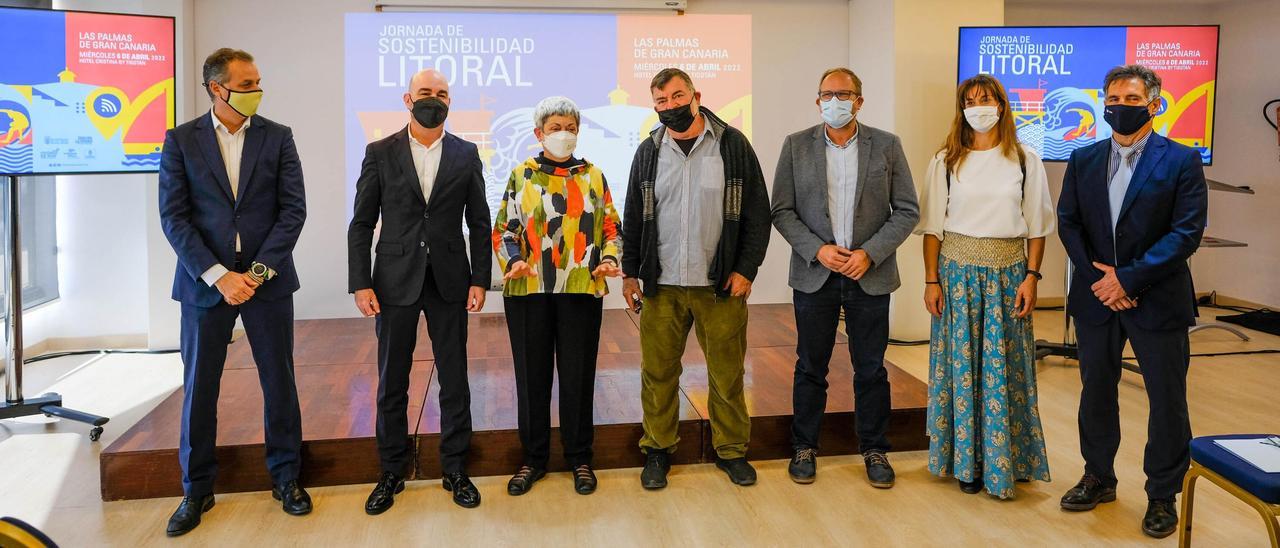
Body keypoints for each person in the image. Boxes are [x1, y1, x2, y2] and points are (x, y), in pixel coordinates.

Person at [158, 48, 310, 537]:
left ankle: (286, 479)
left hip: (267, 282)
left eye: (258, 82)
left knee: (279, 383)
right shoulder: (181, 141)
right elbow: (174, 217)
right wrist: (218, 274)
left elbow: (293, 211)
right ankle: (196, 489)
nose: (255, 92)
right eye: (246, 85)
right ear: (216, 88)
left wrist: (258, 272)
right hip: (206, 285)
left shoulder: (278, 137)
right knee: (200, 387)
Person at [1057, 64, 1207, 539]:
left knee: (1167, 400)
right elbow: (1069, 223)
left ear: (1155, 104)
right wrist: (1100, 280)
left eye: (1131, 99)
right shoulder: (1082, 159)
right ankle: (1098, 476)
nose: (1120, 107)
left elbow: (1186, 232)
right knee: (1096, 392)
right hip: (1096, 297)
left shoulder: (1182, 160)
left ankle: (1163, 493)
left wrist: (1128, 280)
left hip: (1157, 299)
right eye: (1113, 98)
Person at [347, 68, 491, 513]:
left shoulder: (466, 154)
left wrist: (480, 278)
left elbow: (480, 223)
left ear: (451, 102)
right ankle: (391, 471)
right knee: (393, 380)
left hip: (450, 280)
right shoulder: (380, 151)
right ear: (408, 99)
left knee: (454, 379)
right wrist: (360, 282)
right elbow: (362, 223)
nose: (434, 99)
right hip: (393, 281)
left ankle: (455, 468)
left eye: (442, 94)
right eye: (426, 93)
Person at [620, 67, 771, 489]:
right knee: (658, 373)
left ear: (696, 95)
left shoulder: (732, 145)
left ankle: (731, 451)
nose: (670, 107)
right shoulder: (648, 151)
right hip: (662, 284)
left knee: (726, 374)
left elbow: (758, 214)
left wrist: (746, 269)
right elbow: (634, 216)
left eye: (677, 97)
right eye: (661, 101)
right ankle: (657, 450)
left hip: (719, 286)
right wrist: (630, 273)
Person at [770, 67, 919, 488]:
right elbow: (781, 210)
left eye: (844, 94)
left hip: (867, 276)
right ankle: (805, 447)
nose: (835, 101)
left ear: (859, 100)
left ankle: (874, 449)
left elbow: (907, 209)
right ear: (817, 101)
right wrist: (817, 249)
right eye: (827, 94)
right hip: (816, 273)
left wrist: (869, 255)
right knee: (810, 365)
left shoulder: (887, 145)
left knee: (871, 368)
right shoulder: (796, 146)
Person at [915, 74, 1054, 498]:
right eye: (970, 100)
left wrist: (1032, 277)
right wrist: (931, 281)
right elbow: (932, 228)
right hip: (956, 276)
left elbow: (1037, 227)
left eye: (987, 99)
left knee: (1004, 370)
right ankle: (966, 464)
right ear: (961, 109)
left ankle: (1008, 460)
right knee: (960, 369)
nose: (979, 107)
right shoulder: (945, 161)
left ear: (1002, 105)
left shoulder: (1026, 159)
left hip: (1009, 274)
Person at [492, 96, 623, 496]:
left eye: (570, 127)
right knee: (531, 377)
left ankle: (579, 458)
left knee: (578, 376)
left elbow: (611, 229)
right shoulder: (521, 175)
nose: (563, 134)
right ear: (539, 134)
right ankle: (533, 459)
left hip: (580, 289)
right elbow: (503, 230)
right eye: (555, 128)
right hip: (529, 290)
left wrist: (610, 259)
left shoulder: (594, 177)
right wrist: (513, 259)